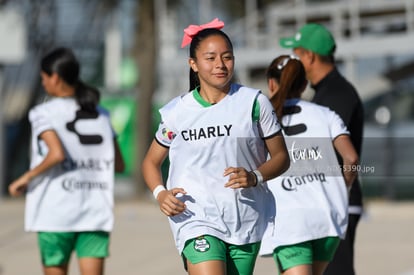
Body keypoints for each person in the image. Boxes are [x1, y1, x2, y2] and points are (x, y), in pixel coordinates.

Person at [141, 18, 290, 275]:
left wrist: (254, 176)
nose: (220, 65)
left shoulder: (254, 103)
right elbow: (151, 162)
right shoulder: (177, 112)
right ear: (194, 64)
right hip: (194, 217)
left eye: (227, 57)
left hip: (245, 218)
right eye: (210, 58)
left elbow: (281, 158)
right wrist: (160, 194)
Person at [8, 47, 125, 275]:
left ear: (55, 77)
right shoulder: (101, 113)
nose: (43, 84)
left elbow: (56, 154)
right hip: (94, 210)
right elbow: (119, 164)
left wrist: (26, 177)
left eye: (43, 78)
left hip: (55, 211)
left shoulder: (43, 113)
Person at [259, 55, 359, 275]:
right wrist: (343, 190)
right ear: (304, 85)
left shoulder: (261, 119)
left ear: (271, 83)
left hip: (290, 220)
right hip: (328, 216)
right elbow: (351, 159)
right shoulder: (326, 115)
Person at [278, 23, 365, 275]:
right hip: (325, 202)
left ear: (310, 56)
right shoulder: (325, 93)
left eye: (296, 55)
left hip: (336, 204)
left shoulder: (336, 95)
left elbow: (338, 155)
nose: (293, 62)